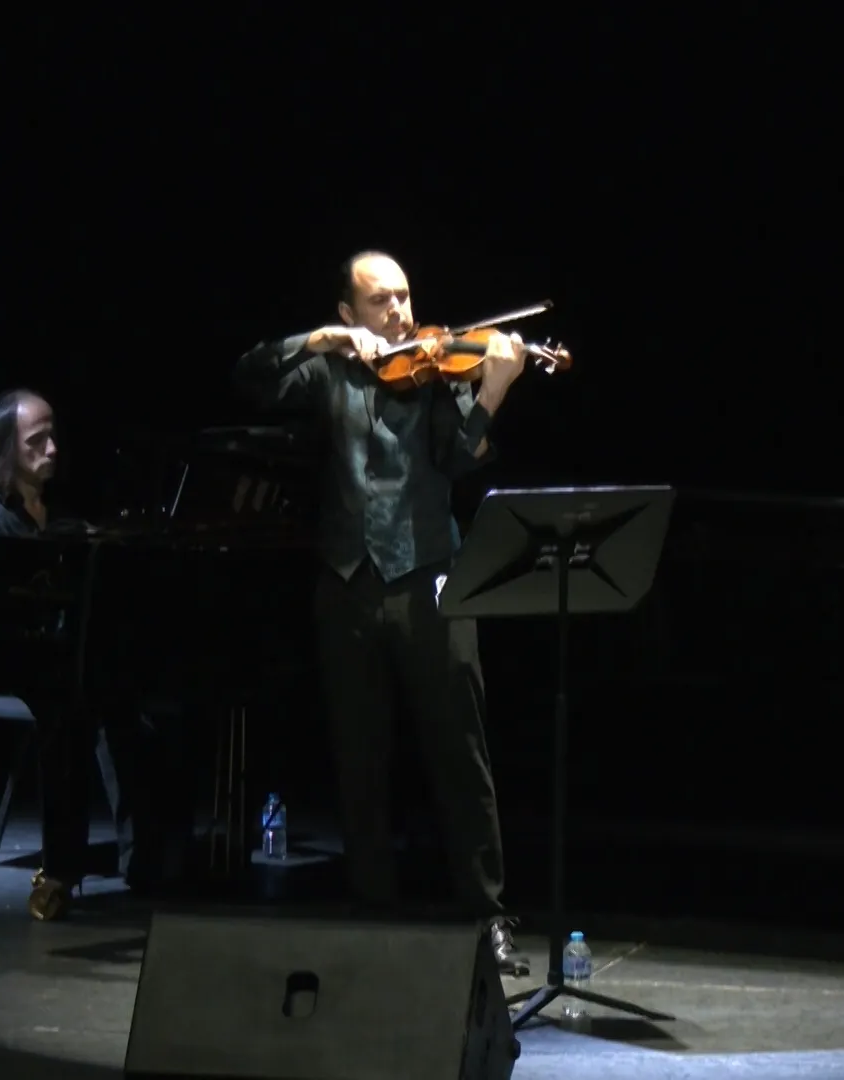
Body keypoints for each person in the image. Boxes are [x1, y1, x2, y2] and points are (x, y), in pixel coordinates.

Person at [233, 252, 531, 976]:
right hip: (346, 582)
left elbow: (463, 461)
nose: (399, 313)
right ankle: (372, 911)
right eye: (379, 302)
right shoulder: (327, 370)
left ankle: (487, 916)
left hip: (430, 576)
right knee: (358, 754)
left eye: (403, 297)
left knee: (460, 753)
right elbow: (250, 378)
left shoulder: (435, 370)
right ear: (349, 314)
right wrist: (319, 342)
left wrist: (492, 391)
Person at [0, 389, 191, 917]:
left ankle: (147, 860)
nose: (53, 449)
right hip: (7, 656)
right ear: (6, 450)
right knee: (71, 712)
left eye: (53, 436)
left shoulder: (59, 514)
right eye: (36, 441)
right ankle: (61, 869)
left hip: (62, 655)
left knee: (121, 706)